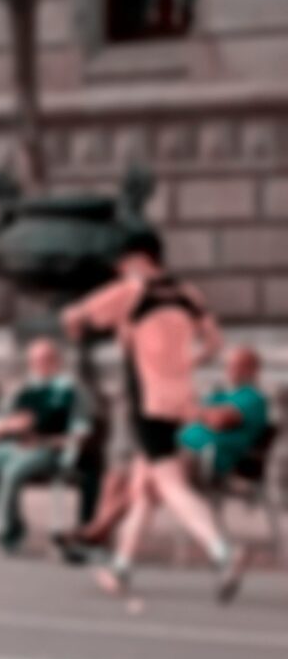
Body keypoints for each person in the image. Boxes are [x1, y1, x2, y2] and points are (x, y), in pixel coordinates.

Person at [62, 235, 244, 604]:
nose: (119, 269)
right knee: (143, 489)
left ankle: (222, 551)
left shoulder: (133, 290)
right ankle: (121, 566)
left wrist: (76, 327)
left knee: (170, 484)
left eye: (123, 261)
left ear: (140, 258)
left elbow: (76, 316)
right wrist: (182, 365)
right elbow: (213, 343)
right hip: (180, 399)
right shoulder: (187, 293)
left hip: (147, 402)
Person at [0, 337, 86, 552]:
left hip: (46, 448)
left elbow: (80, 432)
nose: (39, 365)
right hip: (13, 446)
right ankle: (13, 522)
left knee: (12, 471)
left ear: (57, 361)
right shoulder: (24, 391)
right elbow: (0, 423)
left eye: (45, 360)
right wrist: (8, 426)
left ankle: (6, 535)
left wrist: (48, 440)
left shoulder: (69, 391)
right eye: (35, 360)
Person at [182, 343, 271, 492]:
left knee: (154, 471)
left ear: (253, 370)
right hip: (184, 449)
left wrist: (200, 412)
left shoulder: (253, 398)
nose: (231, 370)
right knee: (145, 471)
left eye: (238, 365)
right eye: (229, 365)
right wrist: (204, 413)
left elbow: (219, 420)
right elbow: (186, 412)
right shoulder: (220, 395)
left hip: (207, 460)